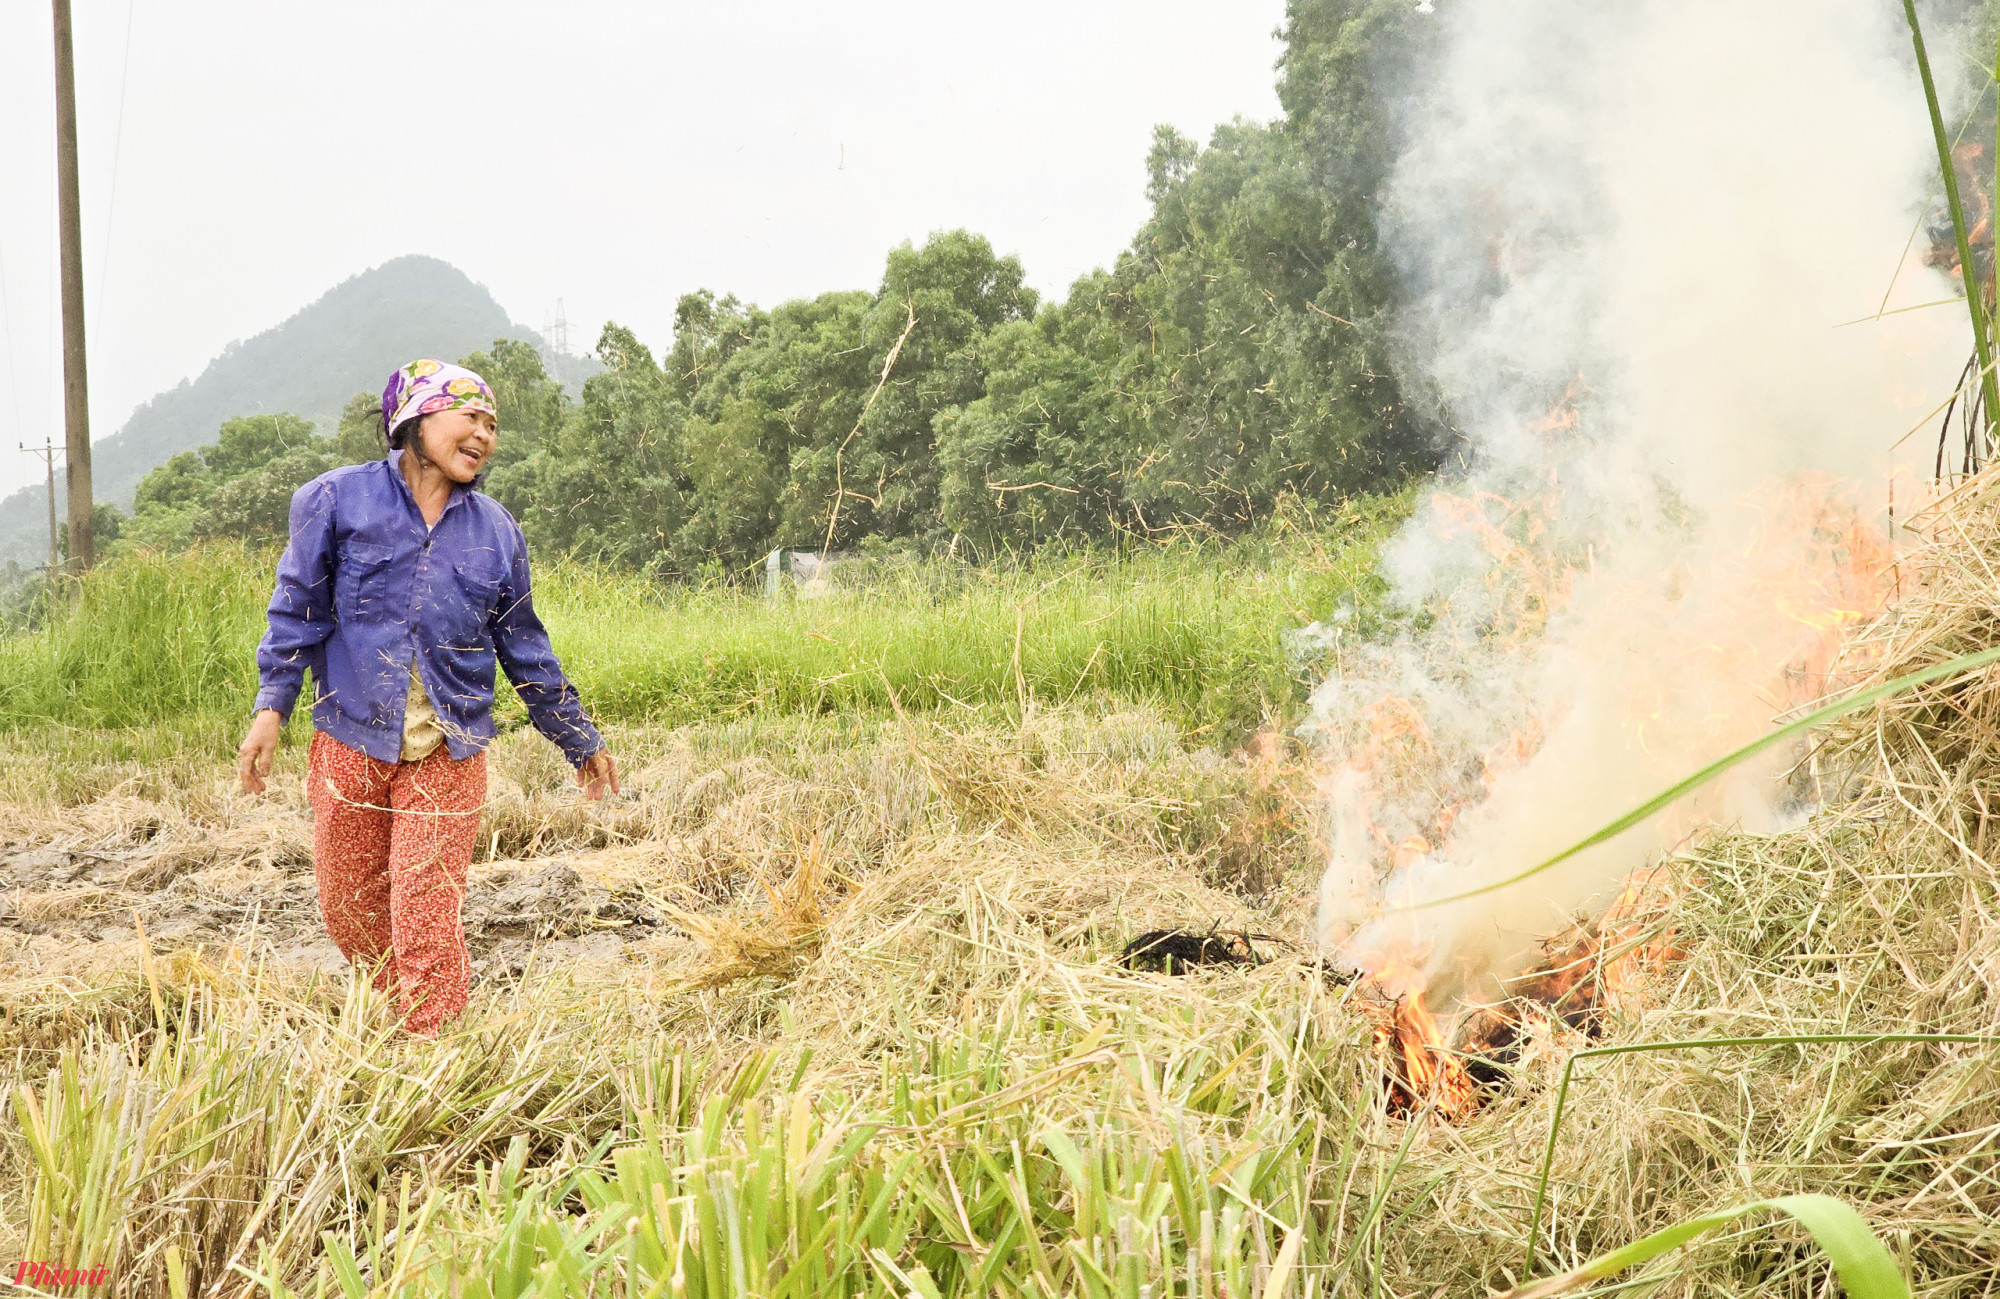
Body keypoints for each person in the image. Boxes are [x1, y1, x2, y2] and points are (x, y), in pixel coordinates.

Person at [235, 358, 619, 1035]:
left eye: (494, 424)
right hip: (351, 738)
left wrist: (577, 737)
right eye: (470, 416)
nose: (485, 434)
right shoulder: (334, 502)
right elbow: (297, 610)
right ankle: (399, 1013)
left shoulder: (497, 531)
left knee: (424, 908)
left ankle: (431, 1050)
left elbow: (524, 643)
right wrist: (273, 708)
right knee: (349, 908)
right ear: (416, 419)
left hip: (449, 747)